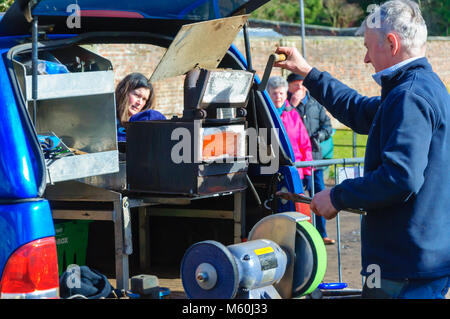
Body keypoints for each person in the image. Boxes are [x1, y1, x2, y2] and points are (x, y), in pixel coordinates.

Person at [275, 0, 450, 299]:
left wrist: (337, 195)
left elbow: (400, 178)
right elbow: (357, 109)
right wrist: (307, 72)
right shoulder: (422, 87)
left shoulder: (408, 96)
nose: (366, 59)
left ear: (392, 43)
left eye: (368, 47)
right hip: (422, 259)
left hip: (404, 268)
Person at [287, 72, 335, 245]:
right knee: (296, 198)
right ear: (289, 86)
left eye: (301, 83)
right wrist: (292, 105)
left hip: (314, 159)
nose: (299, 87)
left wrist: (318, 137)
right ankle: (296, 237)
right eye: (295, 84)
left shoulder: (315, 103)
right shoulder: (286, 105)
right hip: (297, 160)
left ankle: (321, 234)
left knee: (319, 196)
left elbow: (327, 126)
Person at [267, 76, 313, 184]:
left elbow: (305, 144)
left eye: (281, 93)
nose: (278, 96)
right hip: (272, 172)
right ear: (268, 94)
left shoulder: (293, 115)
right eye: (274, 93)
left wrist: (308, 171)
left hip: (295, 171)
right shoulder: (264, 114)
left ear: (286, 94)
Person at [115, 72, 166, 142]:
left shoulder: (147, 122)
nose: (140, 102)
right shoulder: (107, 122)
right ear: (124, 92)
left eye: (144, 99)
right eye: (137, 95)